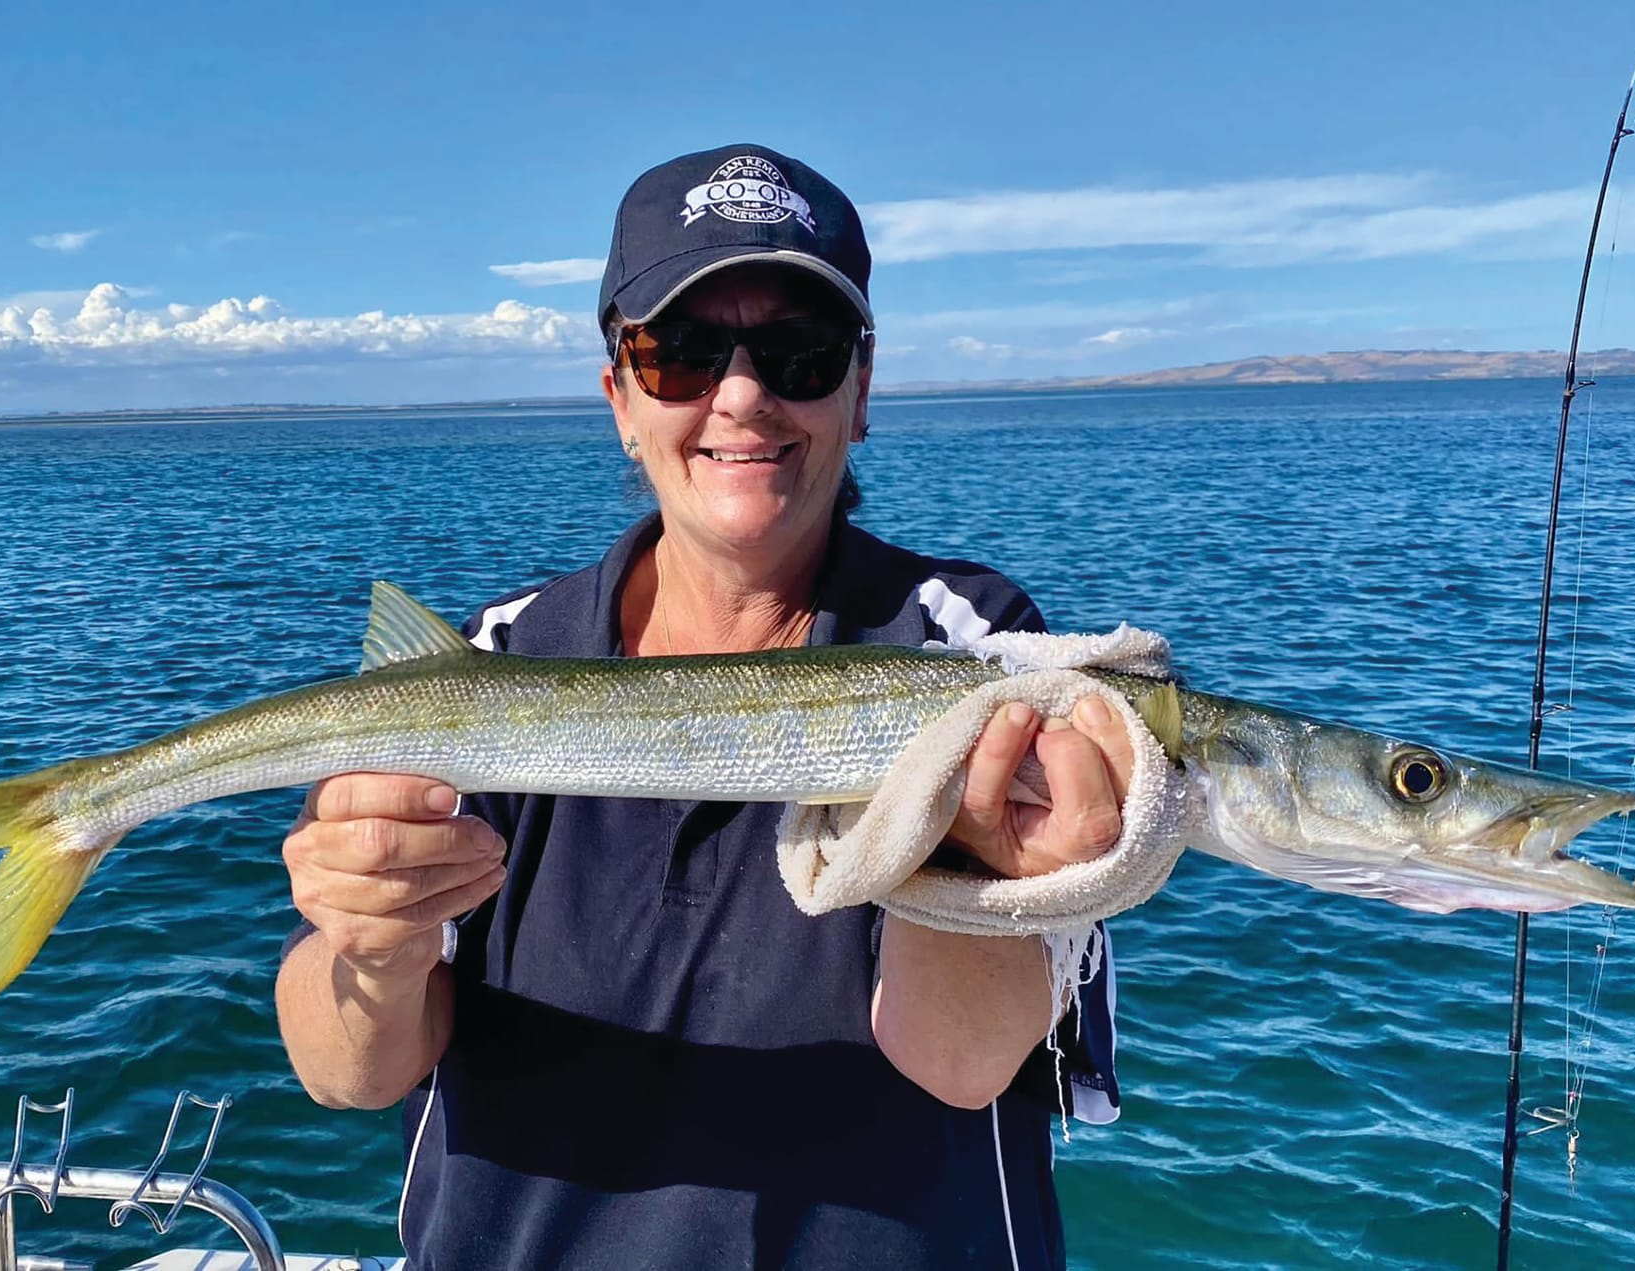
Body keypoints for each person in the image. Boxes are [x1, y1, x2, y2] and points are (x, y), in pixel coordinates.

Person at [275, 143, 1134, 1269]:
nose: (740, 394)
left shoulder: (980, 658)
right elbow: (351, 1070)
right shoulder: (492, 661)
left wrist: (978, 880)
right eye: (677, 353)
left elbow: (962, 1062)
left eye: (799, 352)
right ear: (619, 398)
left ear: (859, 391)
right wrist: (373, 949)